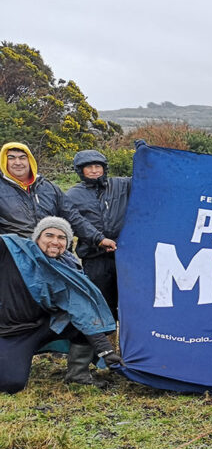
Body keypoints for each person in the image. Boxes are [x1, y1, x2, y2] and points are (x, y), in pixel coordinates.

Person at [1, 217, 120, 394]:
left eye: (62, 237)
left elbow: (83, 310)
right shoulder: (11, 250)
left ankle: (77, 375)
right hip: (7, 332)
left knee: (83, 320)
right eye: (49, 235)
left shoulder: (68, 268)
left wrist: (107, 352)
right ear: (37, 237)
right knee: (12, 384)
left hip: (38, 328)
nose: (55, 242)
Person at [63, 150, 132, 385]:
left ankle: (129, 358)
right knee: (97, 309)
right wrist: (99, 239)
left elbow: (148, 181)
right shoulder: (73, 195)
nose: (94, 170)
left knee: (130, 308)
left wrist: (146, 155)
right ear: (80, 171)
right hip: (95, 259)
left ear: (105, 167)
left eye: (98, 166)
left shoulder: (121, 186)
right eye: (88, 167)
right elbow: (76, 222)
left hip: (126, 258)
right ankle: (92, 364)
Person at [1, 143, 116, 256]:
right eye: (11, 158)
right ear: (4, 161)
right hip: (16, 257)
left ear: (30, 160)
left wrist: (99, 239)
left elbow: (72, 217)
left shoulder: (48, 187)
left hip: (52, 256)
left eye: (22, 158)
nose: (18, 162)